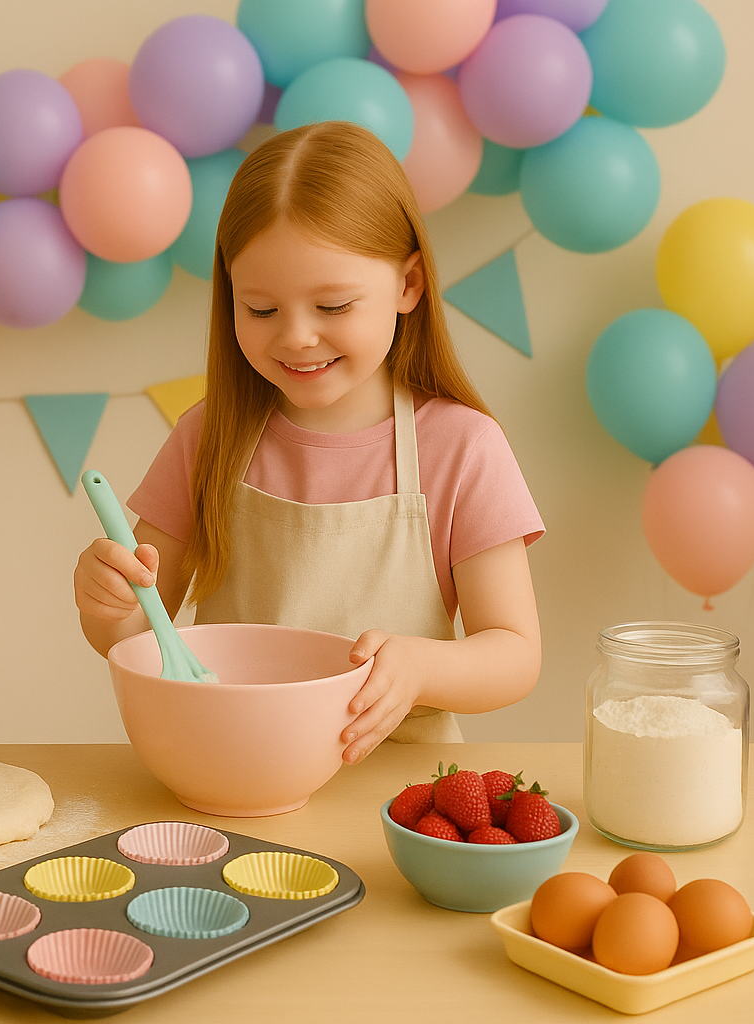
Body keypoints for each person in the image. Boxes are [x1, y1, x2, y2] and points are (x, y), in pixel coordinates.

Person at [74, 121, 544, 764]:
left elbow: (514, 654)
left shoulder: (461, 448)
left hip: (397, 790)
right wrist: (108, 607)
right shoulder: (208, 437)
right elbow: (145, 634)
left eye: (333, 306)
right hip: (235, 768)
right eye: (261, 310)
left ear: (408, 285)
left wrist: (421, 666)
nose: (295, 337)